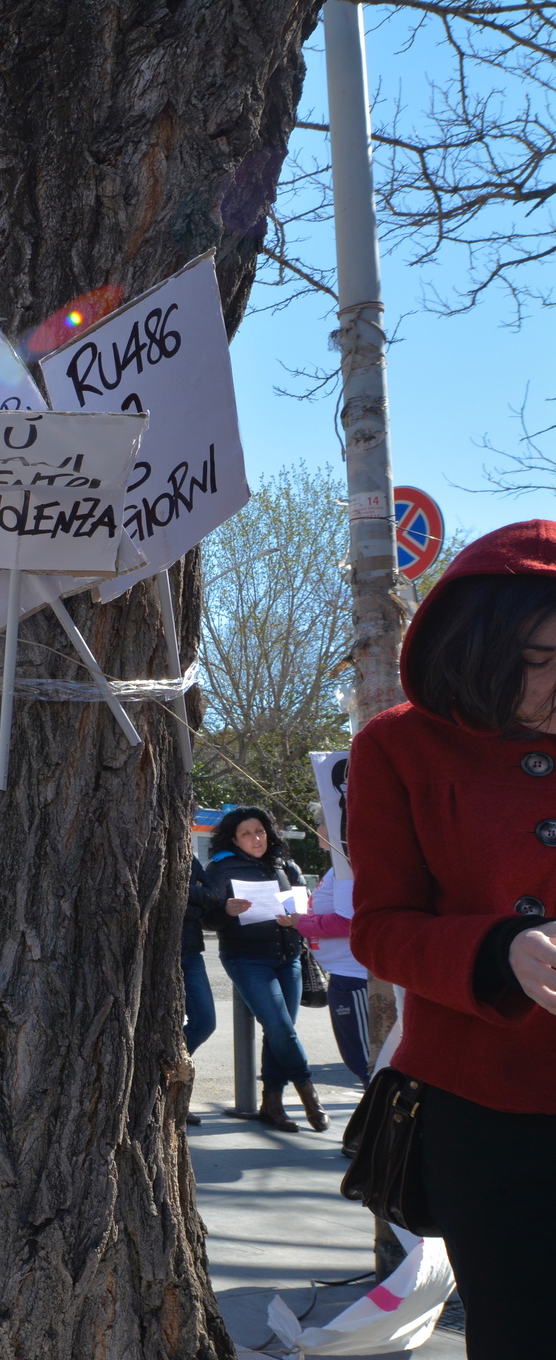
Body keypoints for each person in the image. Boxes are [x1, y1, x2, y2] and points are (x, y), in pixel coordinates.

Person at [348, 519, 556, 1358]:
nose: (555, 682)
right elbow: (380, 930)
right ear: (477, 643)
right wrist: (496, 949)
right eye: (539, 660)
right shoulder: (396, 744)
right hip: (484, 1106)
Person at [189, 806, 324, 1133]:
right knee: (281, 1028)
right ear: (234, 839)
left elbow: (300, 912)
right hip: (247, 957)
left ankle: (272, 1104)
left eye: (260, 831)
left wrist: (297, 919)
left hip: (288, 955)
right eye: (246, 834)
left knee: (281, 1031)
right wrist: (227, 911)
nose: (256, 838)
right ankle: (309, 1094)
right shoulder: (222, 867)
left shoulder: (285, 865)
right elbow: (209, 918)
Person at [285, 849, 370, 1085]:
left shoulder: (345, 865)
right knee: (359, 1060)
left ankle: (380, 1117)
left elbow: (348, 921)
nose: (318, 824)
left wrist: (300, 922)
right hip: (346, 975)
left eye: (321, 820)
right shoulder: (340, 864)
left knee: (367, 1063)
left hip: (354, 976)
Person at [180, 858, 217, 1124]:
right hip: (153, 949)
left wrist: (186, 895)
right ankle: (174, 1096)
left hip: (190, 951)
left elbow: (213, 896)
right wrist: (195, 899)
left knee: (204, 1022)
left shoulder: (188, 856)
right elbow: (160, 894)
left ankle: (170, 1083)